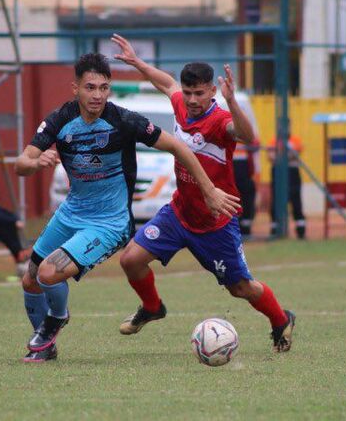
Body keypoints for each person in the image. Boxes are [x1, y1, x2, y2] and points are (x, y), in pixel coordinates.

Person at [14, 53, 240, 363]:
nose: (97, 95)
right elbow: (21, 164)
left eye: (104, 88)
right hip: (71, 212)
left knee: (49, 273)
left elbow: (177, 146)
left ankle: (55, 319)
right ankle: (46, 345)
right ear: (75, 88)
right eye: (90, 87)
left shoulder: (123, 120)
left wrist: (209, 188)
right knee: (30, 279)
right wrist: (35, 161)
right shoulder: (59, 120)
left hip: (109, 223)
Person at [111, 34, 296, 353]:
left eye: (200, 93)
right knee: (131, 260)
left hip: (215, 223)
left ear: (212, 91)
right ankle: (153, 307)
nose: (193, 99)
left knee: (240, 288)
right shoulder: (180, 103)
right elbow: (166, 83)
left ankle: (281, 320)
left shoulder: (220, 121)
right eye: (189, 92)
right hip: (179, 213)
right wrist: (139, 63)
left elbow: (249, 137)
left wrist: (233, 101)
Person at [267, 134, 306, 239]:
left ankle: (301, 231)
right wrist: (285, 155)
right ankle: (275, 230)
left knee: (296, 201)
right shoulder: (274, 140)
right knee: (276, 201)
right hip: (278, 172)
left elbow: (295, 154)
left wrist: (279, 156)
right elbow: (270, 156)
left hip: (292, 172)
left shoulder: (295, 139)